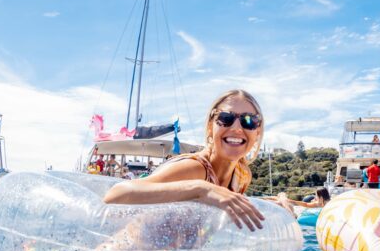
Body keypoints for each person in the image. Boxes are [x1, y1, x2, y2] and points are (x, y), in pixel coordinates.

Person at [103, 89, 265, 231]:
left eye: (249, 121)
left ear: (257, 132)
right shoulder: (195, 169)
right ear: (210, 127)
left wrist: (269, 205)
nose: (237, 128)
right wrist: (200, 189)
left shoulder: (241, 176)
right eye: (226, 118)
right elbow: (114, 196)